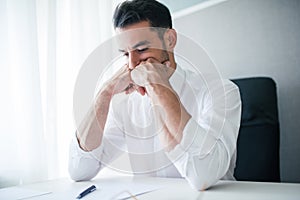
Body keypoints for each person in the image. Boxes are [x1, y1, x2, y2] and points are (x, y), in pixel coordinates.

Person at [69, 0, 241, 190]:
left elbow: (203, 176)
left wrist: (159, 87)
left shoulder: (221, 92)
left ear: (170, 40)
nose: (133, 64)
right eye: (126, 54)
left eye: (142, 50)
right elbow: (79, 170)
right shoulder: (125, 104)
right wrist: (105, 92)